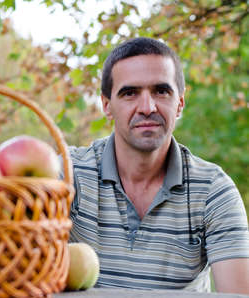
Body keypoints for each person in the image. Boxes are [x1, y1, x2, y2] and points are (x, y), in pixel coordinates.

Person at [67, 37, 249, 294]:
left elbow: (238, 296)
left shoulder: (213, 192)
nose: (147, 107)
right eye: (130, 93)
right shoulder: (70, 175)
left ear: (180, 104)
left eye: (161, 91)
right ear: (107, 106)